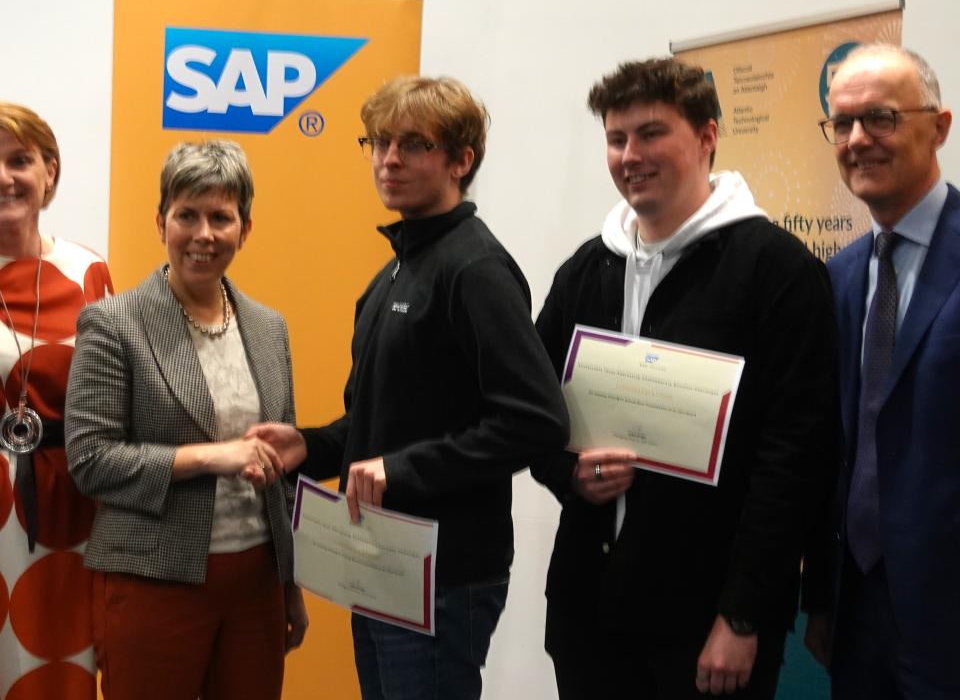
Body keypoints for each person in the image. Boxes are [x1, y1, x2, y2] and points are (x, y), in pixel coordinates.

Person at [249, 76, 569, 700]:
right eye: (379, 142)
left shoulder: (474, 269)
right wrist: (307, 448)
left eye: (414, 144)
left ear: (461, 160)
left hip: (443, 576)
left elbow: (536, 421)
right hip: (382, 560)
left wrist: (405, 469)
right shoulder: (397, 269)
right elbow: (377, 423)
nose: (389, 159)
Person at [530, 58, 838, 699]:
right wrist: (568, 473)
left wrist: (743, 615)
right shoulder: (585, 270)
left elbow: (795, 459)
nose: (629, 155)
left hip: (707, 627)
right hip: (591, 617)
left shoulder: (779, 272)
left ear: (707, 137)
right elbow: (529, 415)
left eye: (650, 134)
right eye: (616, 139)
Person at [64, 140, 306, 700]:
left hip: (256, 587)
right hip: (152, 581)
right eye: (187, 215)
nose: (204, 234)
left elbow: (280, 471)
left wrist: (289, 585)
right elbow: (91, 460)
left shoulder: (270, 328)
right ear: (160, 221)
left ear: (245, 228)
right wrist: (210, 456)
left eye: (221, 217)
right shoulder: (112, 322)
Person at [803, 44, 960, 699]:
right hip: (854, 616)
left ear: (940, 126)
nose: (858, 140)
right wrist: (822, 598)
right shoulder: (837, 278)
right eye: (842, 124)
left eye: (882, 119)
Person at [0, 102, 113, 699]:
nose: (4, 177)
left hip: (70, 507)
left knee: (59, 668)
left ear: (49, 170)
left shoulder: (89, 270)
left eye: (19, 160)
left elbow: (114, 401)